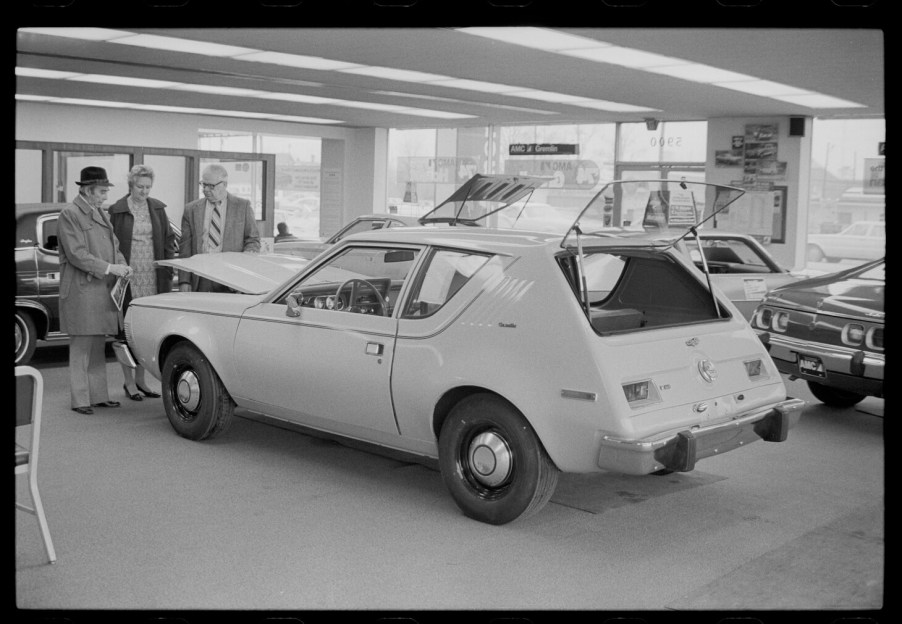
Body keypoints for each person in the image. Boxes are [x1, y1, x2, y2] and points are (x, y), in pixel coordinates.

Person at [57, 166, 132, 415]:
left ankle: (99, 396)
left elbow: (114, 245)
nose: (105, 196)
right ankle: (80, 399)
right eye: (101, 191)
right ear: (88, 190)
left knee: (98, 344)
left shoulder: (100, 212)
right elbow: (77, 254)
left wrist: (122, 264)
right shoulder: (70, 214)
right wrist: (110, 267)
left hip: (100, 288)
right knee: (81, 347)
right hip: (82, 290)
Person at [108, 164, 177, 402]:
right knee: (126, 330)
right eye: (140, 187)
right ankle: (128, 383)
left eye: (148, 187)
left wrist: (168, 267)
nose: (144, 191)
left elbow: (169, 240)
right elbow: (111, 244)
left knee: (146, 330)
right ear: (130, 185)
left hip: (153, 277)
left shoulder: (157, 208)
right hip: (128, 276)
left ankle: (141, 380)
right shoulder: (117, 210)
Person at [178, 163, 260, 292]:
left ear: (225, 184)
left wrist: (243, 268)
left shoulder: (242, 207)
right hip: (201, 277)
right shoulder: (191, 209)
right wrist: (184, 280)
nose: (205, 190)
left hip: (232, 279)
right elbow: (185, 249)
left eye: (211, 186)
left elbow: (252, 240)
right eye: (203, 184)